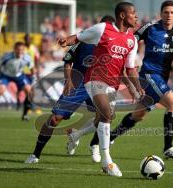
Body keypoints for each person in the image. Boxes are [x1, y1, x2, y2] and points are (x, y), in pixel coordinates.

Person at [89, 0, 173, 159]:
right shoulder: (150, 28)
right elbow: (127, 39)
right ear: (161, 14)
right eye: (165, 12)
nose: (168, 15)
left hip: (162, 78)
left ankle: (103, 139)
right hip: (148, 75)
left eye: (172, 13)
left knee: (138, 116)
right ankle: (168, 147)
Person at [58, 2, 143, 177]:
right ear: (122, 15)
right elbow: (80, 36)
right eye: (133, 13)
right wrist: (67, 40)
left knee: (107, 117)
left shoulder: (132, 40)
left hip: (112, 84)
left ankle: (76, 135)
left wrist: (137, 87)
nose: (136, 17)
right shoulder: (103, 29)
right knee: (105, 112)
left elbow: (130, 68)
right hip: (94, 79)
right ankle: (107, 162)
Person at [24, 15, 116, 164]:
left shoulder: (115, 45)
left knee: (105, 118)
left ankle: (93, 145)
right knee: (54, 119)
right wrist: (68, 81)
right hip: (78, 85)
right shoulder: (84, 40)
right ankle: (35, 154)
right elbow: (68, 61)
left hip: (98, 85)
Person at [0, 42, 33, 121]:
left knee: (29, 91)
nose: (20, 51)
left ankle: (25, 115)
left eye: (22, 50)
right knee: (0, 91)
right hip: (5, 75)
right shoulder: (7, 56)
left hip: (19, 76)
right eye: (18, 49)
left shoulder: (27, 57)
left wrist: (33, 76)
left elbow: (31, 68)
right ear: (14, 49)